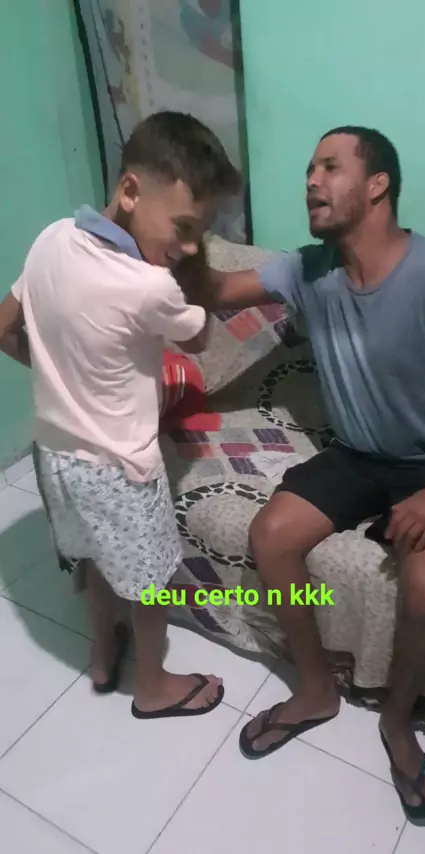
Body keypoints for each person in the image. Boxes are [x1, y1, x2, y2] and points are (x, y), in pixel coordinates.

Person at [177, 126, 425, 825]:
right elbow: (215, 291)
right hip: (356, 454)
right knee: (271, 535)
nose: (312, 180)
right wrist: (189, 234)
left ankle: (397, 723)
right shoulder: (306, 269)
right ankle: (315, 689)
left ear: (377, 185)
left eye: (330, 167)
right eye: (309, 168)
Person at [0, 110, 240, 719]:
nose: (189, 245)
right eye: (185, 227)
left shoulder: (53, 237)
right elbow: (198, 337)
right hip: (121, 469)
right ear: (130, 190)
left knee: (94, 556)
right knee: (151, 582)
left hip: (55, 456)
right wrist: (188, 266)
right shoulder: (150, 285)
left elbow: (4, 326)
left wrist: (62, 376)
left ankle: (104, 654)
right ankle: (153, 688)